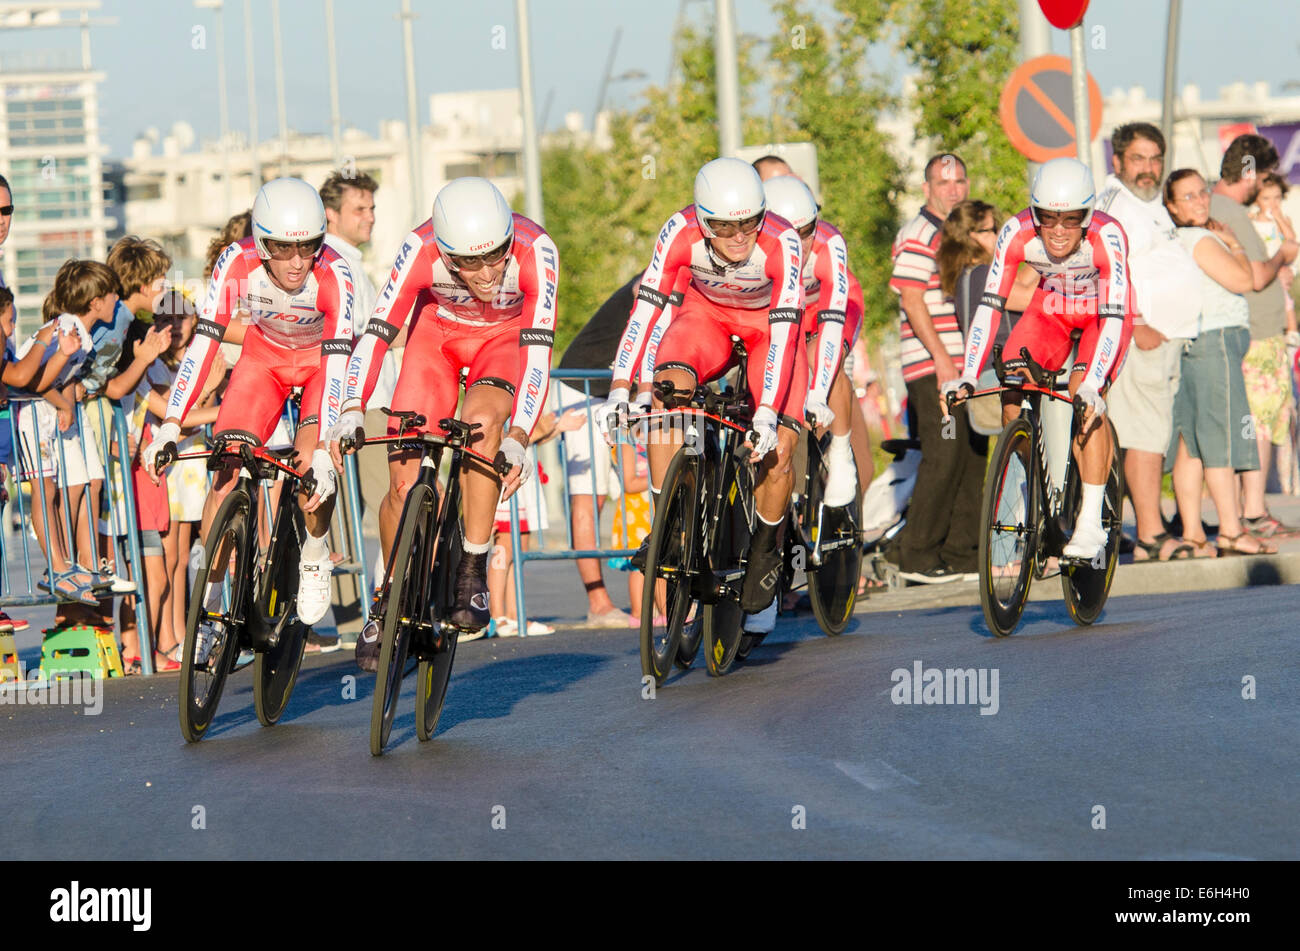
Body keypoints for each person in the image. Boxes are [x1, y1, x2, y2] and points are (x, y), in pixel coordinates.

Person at [328, 177, 559, 666]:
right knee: (401, 482)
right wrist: (351, 407)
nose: (487, 272)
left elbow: (538, 352)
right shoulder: (421, 246)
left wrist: (518, 437)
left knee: (481, 423)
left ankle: (471, 571)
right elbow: (376, 332)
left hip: (503, 339)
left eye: (495, 255)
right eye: (469, 262)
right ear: (447, 253)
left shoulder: (536, 249)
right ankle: (388, 597)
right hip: (437, 338)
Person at [143, 177, 356, 648]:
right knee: (226, 468)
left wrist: (323, 447)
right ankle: (212, 602)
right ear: (261, 243)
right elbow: (204, 343)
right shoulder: (235, 262)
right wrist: (172, 424)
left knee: (311, 474)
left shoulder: (335, 272)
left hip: (323, 366)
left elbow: (341, 361)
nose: (298, 262)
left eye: (308, 247)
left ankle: (315, 552)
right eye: (283, 249)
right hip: (265, 362)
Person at [599, 156, 806, 619]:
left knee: (781, 453)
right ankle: (670, 523)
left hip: (769, 329)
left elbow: (786, 332)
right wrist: (619, 387)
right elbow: (646, 309)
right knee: (666, 393)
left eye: (749, 224)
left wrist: (768, 413)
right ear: (701, 219)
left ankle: (768, 547)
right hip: (706, 318)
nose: (738, 238)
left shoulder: (783, 242)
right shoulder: (679, 230)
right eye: (723, 227)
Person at [947, 157, 1135, 562]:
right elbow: (990, 304)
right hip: (1051, 308)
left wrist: (1092, 383)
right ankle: (1031, 489)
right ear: (1034, 213)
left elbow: (1116, 315)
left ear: (1089, 215)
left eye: (1071, 220)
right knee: (1011, 383)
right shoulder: (1016, 232)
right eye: (1047, 219)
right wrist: (967, 374)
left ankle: (1089, 521)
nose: (1059, 231)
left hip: (1104, 314)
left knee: (1081, 396)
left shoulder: (1109, 236)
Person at [1095, 123, 1205, 561]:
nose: (1148, 168)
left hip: (1166, 337)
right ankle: (1151, 534)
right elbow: (1104, 267)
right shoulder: (1116, 206)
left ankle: (1145, 533)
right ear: (1117, 161)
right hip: (1140, 337)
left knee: (1152, 436)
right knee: (1142, 437)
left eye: (1155, 159)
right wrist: (1135, 321)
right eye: (1138, 159)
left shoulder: (1145, 204)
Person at [1163, 169, 1271, 557]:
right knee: (1222, 438)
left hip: (1195, 341)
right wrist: (1234, 244)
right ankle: (1229, 529)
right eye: (1188, 197)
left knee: (1190, 442)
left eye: (1202, 192)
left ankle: (1193, 532)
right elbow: (1245, 281)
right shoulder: (1202, 239)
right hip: (1215, 342)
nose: (1200, 200)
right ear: (1172, 206)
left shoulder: (1176, 238)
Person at [889, 153, 983, 582]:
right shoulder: (919, 232)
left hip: (968, 366)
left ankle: (962, 552)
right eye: (943, 183)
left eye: (960, 181)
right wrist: (942, 360)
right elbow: (911, 299)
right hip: (933, 367)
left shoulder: (961, 233)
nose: (954, 189)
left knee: (972, 454)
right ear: (927, 189)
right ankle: (917, 555)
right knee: (943, 454)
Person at [1210, 134, 1300, 539]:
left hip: (1248, 334)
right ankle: (1253, 509)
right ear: (1249, 172)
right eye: (1261, 176)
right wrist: (1285, 252)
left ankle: (1247, 510)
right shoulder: (1228, 210)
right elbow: (1257, 275)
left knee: (1250, 424)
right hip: (1258, 337)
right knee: (1261, 424)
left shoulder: (1219, 208)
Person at [761, 175, 866, 508]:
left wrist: (818, 394)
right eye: (792, 235)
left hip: (830, 306)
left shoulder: (829, 243)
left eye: (808, 231)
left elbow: (833, 323)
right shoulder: (753, 243)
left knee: (818, 356)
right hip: (788, 310)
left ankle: (840, 452)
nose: (801, 244)